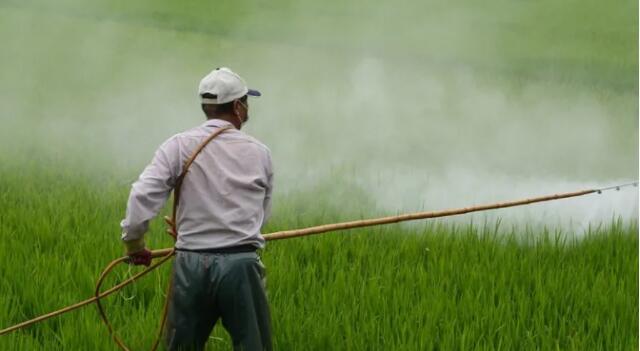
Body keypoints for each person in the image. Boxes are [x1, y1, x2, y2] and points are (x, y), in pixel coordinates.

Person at [120, 67, 274, 351]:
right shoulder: (259, 152)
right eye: (246, 102)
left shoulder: (178, 146)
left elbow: (142, 194)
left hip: (191, 265)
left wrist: (134, 244)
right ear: (238, 107)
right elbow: (260, 215)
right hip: (241, 264)